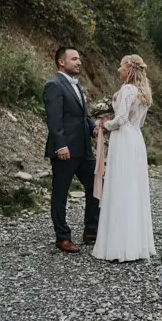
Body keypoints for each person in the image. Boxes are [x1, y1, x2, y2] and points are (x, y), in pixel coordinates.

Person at [92, 54, 156, 262]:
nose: (118, 70)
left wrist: (105, 125)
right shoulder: (143, 92)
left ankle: (118, 246)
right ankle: (135, 245)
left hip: (123, 140)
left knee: (121, 186)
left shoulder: (128, 90)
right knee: (133, 188)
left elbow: (120, 119)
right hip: (136, 139)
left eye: (120, 66)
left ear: (128, 69)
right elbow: (140, 122)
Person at [42, 46, 100, 254]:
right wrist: (61, 145)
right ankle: (62, 237)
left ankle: (91, 231)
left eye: (79, 59)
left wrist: (93, 128)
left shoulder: (78, 86)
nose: (79, 62)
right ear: (61, 62)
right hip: (65, 149)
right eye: (74, 59)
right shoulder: (54, 85)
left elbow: (83, 116)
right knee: (60, 193)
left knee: (96, 186)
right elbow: (54, 119)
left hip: (84, 149)